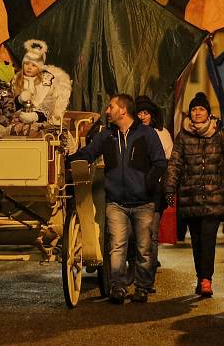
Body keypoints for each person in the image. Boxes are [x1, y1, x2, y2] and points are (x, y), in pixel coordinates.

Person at [67, 94, 167, 304]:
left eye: (110, 107)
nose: (107, 111)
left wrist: (148, 184)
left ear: (123, 110)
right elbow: (89, 153)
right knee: (117, 246)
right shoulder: (107, 136)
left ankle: (142, 287)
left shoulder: (147, 134)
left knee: (144, 248)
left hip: (143, 202)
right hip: (116, 202)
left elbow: (160, 162)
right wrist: (69, 160)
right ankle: (118, 287)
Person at [164, 92, 224, 297]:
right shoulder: (183, 136)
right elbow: (175, 164)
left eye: (201, 109)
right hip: (190, 196)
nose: (197, 113)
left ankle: (207, 279)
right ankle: (200, 276)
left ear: (208, 113)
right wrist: (170, 189)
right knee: (196, 240)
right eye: (194, 109)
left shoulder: (220, 133)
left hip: (214, 196)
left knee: (208, 239)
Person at [133, 95, 172, 289]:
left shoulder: (162, 133)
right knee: (135, 235)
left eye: (145, 112)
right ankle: (136, 273)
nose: (142, 116)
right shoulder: (130, 133)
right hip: (133, 190)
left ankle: (147, 278)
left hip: (155, 190)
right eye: (139, 112)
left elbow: (168, 163)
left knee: (151, 235)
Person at [11, 39, 72, 125]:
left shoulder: (46, 82)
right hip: (19, 118)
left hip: (40, 120)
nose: (29, 67)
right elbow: (10, 102)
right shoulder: (17, 80)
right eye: (26, 64)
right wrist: (19, 100)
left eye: (33, 65)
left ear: (39, 67)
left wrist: (36, 115)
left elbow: (49, 104)